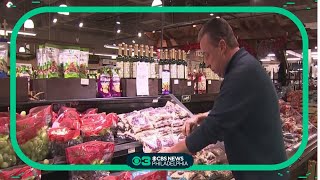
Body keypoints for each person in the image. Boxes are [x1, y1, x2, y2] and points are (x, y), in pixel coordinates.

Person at [160, 18, 289, 180]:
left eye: (207, 55)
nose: (206, 63)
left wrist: (169, 153)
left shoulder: (241, 73)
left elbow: (212, 129)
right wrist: (203, 116)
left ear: (222, 46)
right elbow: (236, 110)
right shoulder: (245, 66)